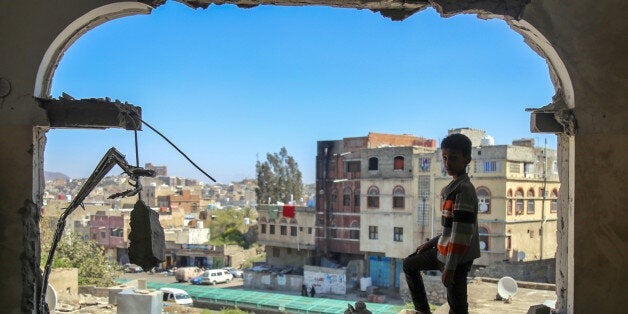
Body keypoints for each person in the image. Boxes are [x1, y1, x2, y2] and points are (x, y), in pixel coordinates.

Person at [403, 133, 481, 314]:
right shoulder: (453, 188)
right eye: (445, 158)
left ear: (467, 160)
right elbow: (450, 229)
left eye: (453, 158)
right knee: (409, 264)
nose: (448, 163)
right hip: (444, 251)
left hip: (457, 259)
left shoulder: (464, 190)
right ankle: (423, 310)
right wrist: (430, 243)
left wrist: (450, 268)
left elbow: (461, 235)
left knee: (457, 307)